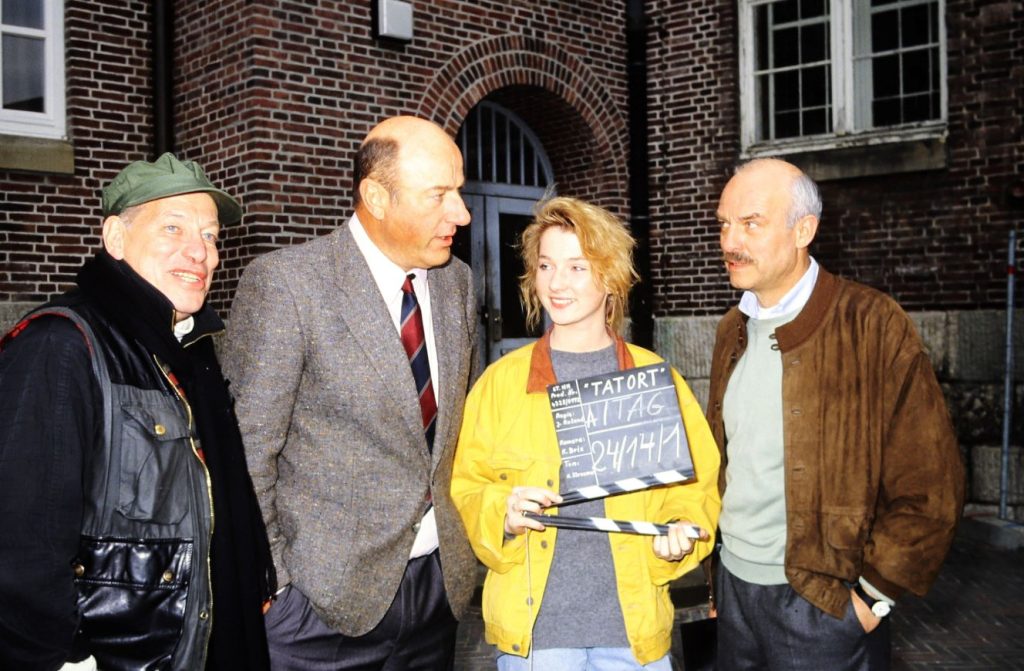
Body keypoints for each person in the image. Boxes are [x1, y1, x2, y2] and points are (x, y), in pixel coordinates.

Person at [0, 153, 276, 671]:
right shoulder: (60, 344)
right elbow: (20, 542)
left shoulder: (190, 349)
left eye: (212, 236)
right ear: (115, 238)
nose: (202, 253)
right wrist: (64, 659)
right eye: (173, 228)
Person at [222, 115, 479, 670]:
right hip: (318, 612)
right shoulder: (288, 284)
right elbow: (245, 453)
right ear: (376, 197)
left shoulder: (457, 281)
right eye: (439, 195)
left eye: (458, 191)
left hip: (438, 594)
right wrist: (278, 588)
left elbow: (450, 437)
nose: (461, 213)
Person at [708, 157, 965, 670]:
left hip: (822, 604)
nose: (729, 241)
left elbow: (932, 484)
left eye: (750, 223)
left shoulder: (872, 325)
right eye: (723, 223)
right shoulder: (730, 330)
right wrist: (720, 580)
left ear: (804, 229)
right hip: (734, 595)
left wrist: (871, 599)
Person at [451, 197, 721, 670]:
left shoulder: (656, 380)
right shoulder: (500, 383)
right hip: (536, 639)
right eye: (546, 265)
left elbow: (696, 490)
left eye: (577, 266)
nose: (557, 283)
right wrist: (504, 515)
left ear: (610, 275)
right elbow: (468, 487)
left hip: (633, 636)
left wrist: (677, 537)